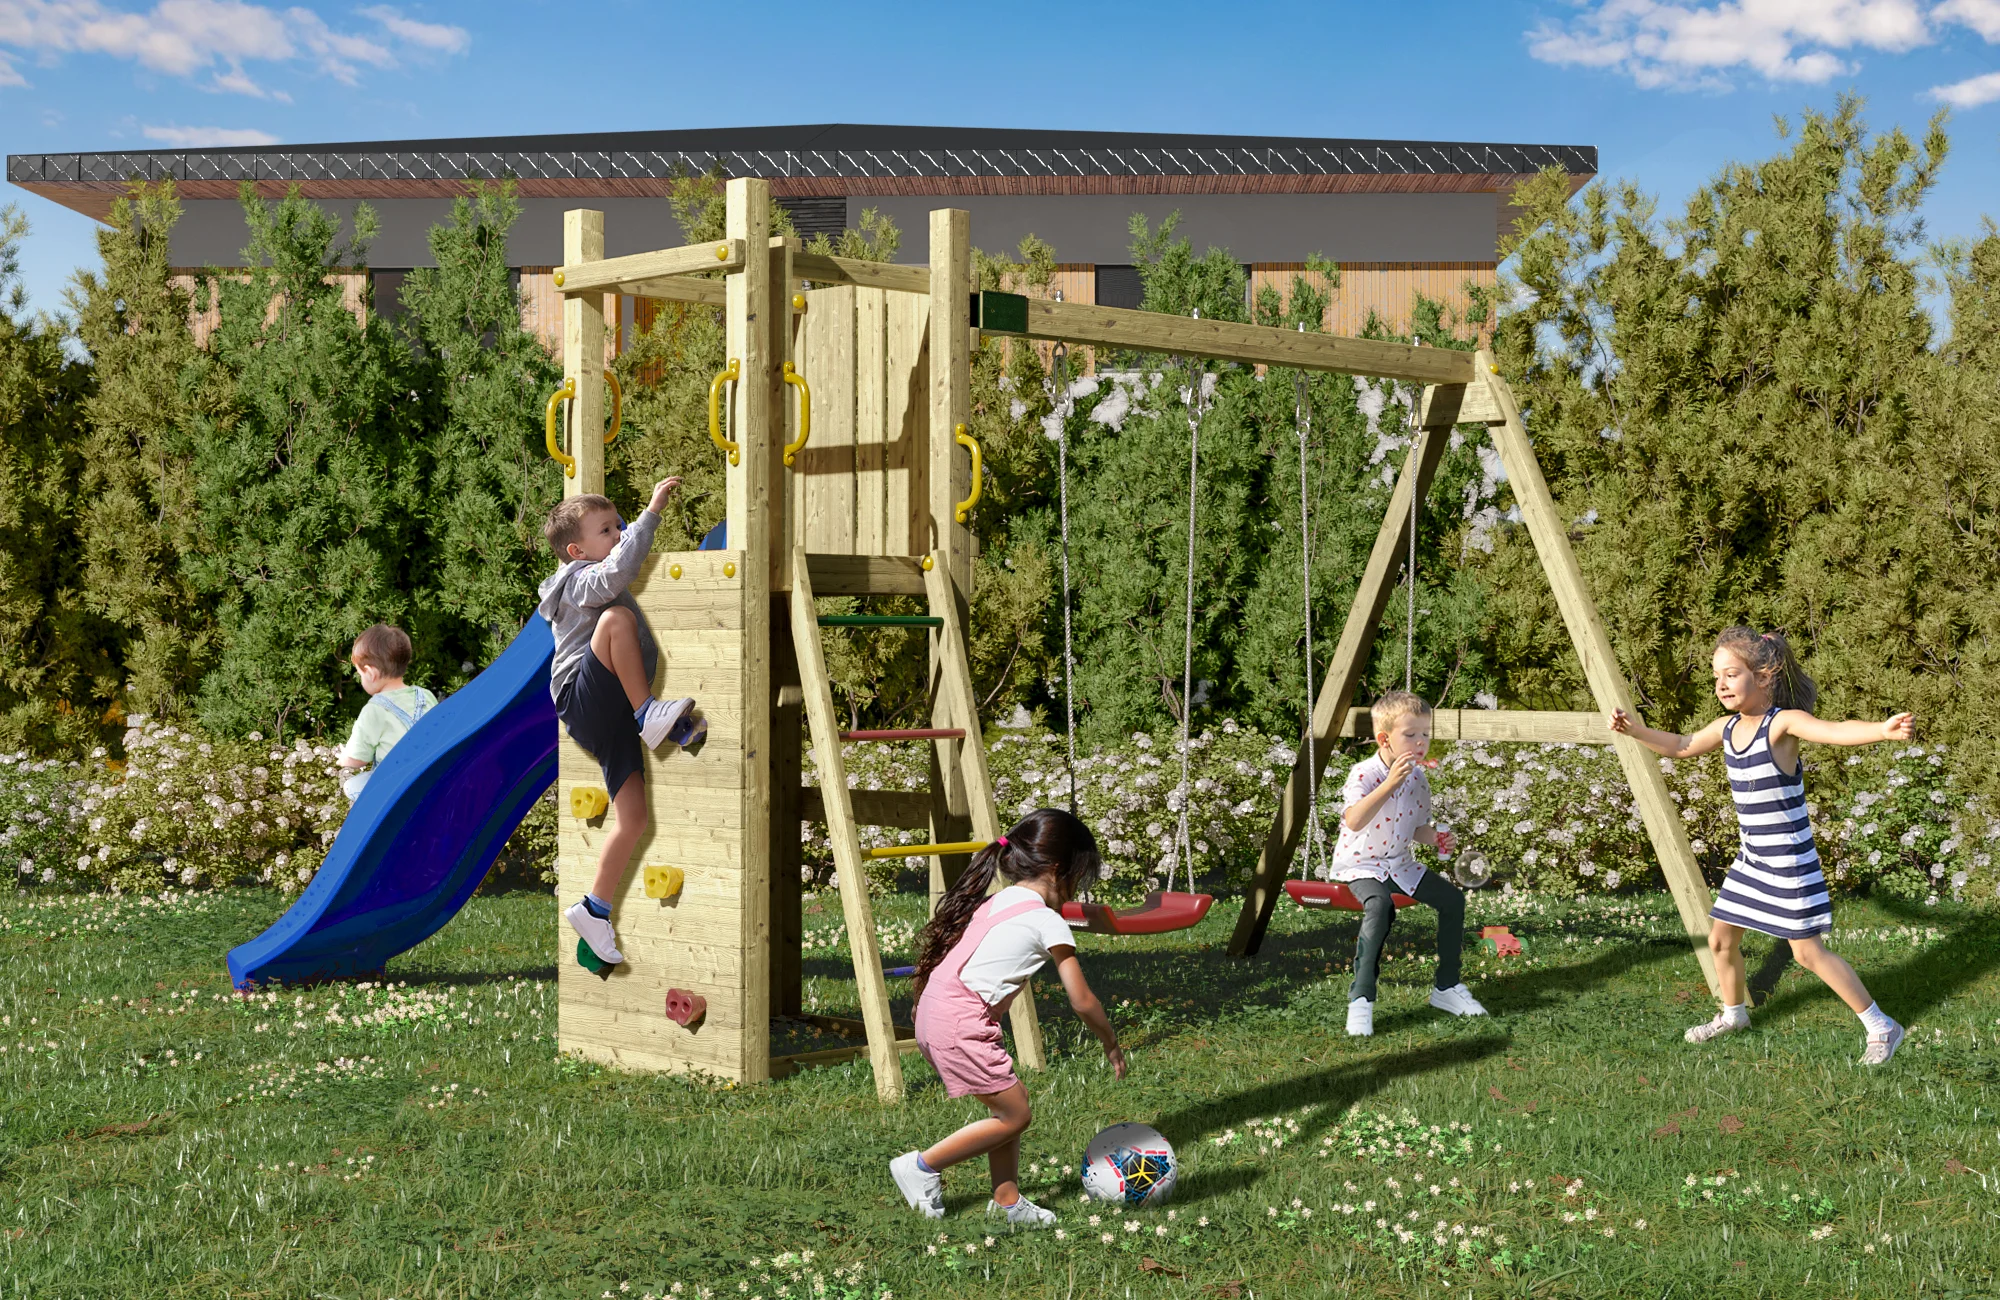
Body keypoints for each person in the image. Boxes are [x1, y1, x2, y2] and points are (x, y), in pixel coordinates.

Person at [1611, 626, 1915, 1065]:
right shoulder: (1727, 727)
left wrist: (1881, 731)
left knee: (1807, 953)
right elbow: (1680, 745)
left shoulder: (1782, 724)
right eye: (1717, 676)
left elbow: (1834, 730)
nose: (1721, 684)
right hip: (1752, 860)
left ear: (1764, 676)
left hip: (1789, 863)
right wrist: (1634, 730)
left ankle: (1882, 1026)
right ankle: (1733, 1016)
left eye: (1731, 674)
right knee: (1720, 940)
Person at [890, 809, 1124, 1229]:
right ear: (1058, 869)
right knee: (1016, 1115)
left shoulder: (999, 900)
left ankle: (1007, 1202)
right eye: (1079, 876)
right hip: (962, 1021)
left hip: (935, 1011)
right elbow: (1082, 1000)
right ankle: (922, 1166)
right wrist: (1110, 1041)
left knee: (1012, 1104)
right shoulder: (1046, 920)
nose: (1077, 888)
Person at [537, 481, 701, 967]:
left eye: (618, 526)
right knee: (615, 620)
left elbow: (620, 560)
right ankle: (648, 712)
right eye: (606, 530)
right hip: (582, 697)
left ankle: (595, 909)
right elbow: (617, 572)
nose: (618, 534)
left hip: (607, 715)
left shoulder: (591, 568)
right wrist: (652, 513)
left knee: (634, 819)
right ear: (576, 551)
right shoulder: (578, 581)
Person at [1331, 689, 1484, 1037]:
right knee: (1380, 906)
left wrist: (1437, 838)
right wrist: (1389, 783)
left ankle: (1446, 987)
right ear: (1384, 739)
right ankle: (1361, 999)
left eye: (1426, 734)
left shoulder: (1418, 778)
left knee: (1452, 900)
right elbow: (1354, 820)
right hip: (1362, 865)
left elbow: (1415, 828)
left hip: (1400, 865)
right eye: (1411, 734)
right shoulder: (1364, 774)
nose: (1421, 742)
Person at [338, 624, 440, 801]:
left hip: (396, 788)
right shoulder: (425, 695)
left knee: (352, 786)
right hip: (428, 777)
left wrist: (344, 758)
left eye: (360, 674)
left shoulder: (374, 710)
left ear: (370, 673)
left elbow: (357, 760)